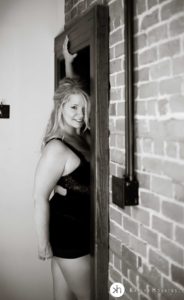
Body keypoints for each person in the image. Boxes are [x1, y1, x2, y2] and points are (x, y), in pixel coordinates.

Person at [33, 36, 91, 300]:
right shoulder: (56, 148)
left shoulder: (84, 136)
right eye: (74, 108)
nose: (80, 114)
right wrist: (43, 242)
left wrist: (69, 64)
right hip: (69, 235)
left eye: (84, 108)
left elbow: (73, 92)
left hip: (77, 230)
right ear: (61, 108)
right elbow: (39, 197)